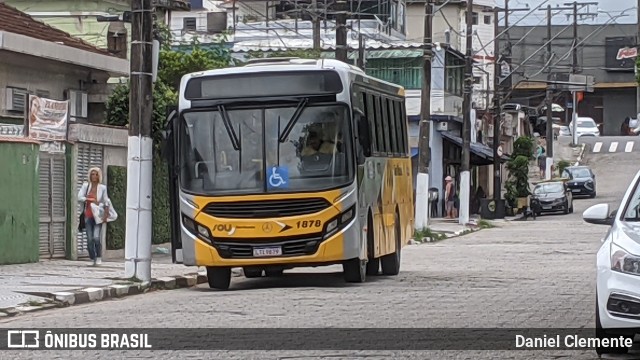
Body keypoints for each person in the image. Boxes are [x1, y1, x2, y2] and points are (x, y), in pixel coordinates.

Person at [78, 167, 111, 266]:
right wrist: (90, 199)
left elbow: (106, 201)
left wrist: (105, 214)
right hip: (88, 215)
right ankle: (93, 257)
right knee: (89, 239)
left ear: (99, 176)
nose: (94, 176)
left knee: (96, 237)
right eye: (92, 174)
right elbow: (79, 197)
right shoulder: (86, 186)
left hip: (98, 216)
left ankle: (99, 257)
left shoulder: (102, 188)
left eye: (96, 174)